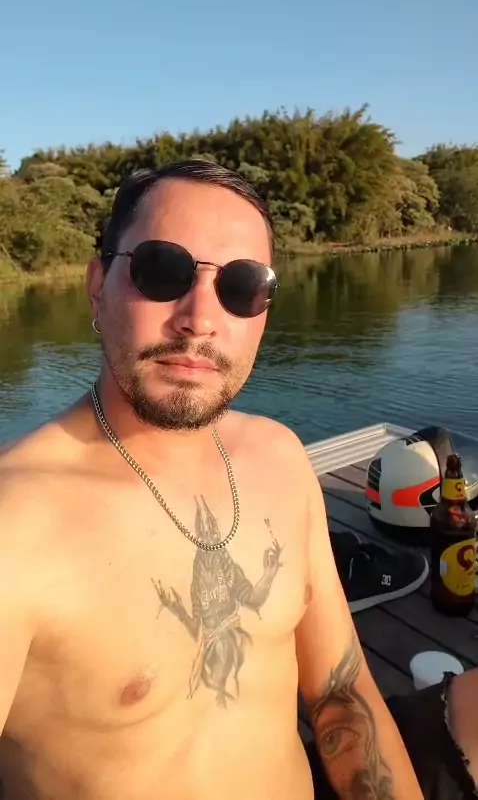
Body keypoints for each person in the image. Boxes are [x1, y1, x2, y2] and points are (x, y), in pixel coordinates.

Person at [0, 157, 452, 800]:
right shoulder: (17, 523)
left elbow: (341, 692)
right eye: (162, 270)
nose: (200, 318)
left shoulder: (279, 457)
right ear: (98, 285)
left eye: (241, 286)